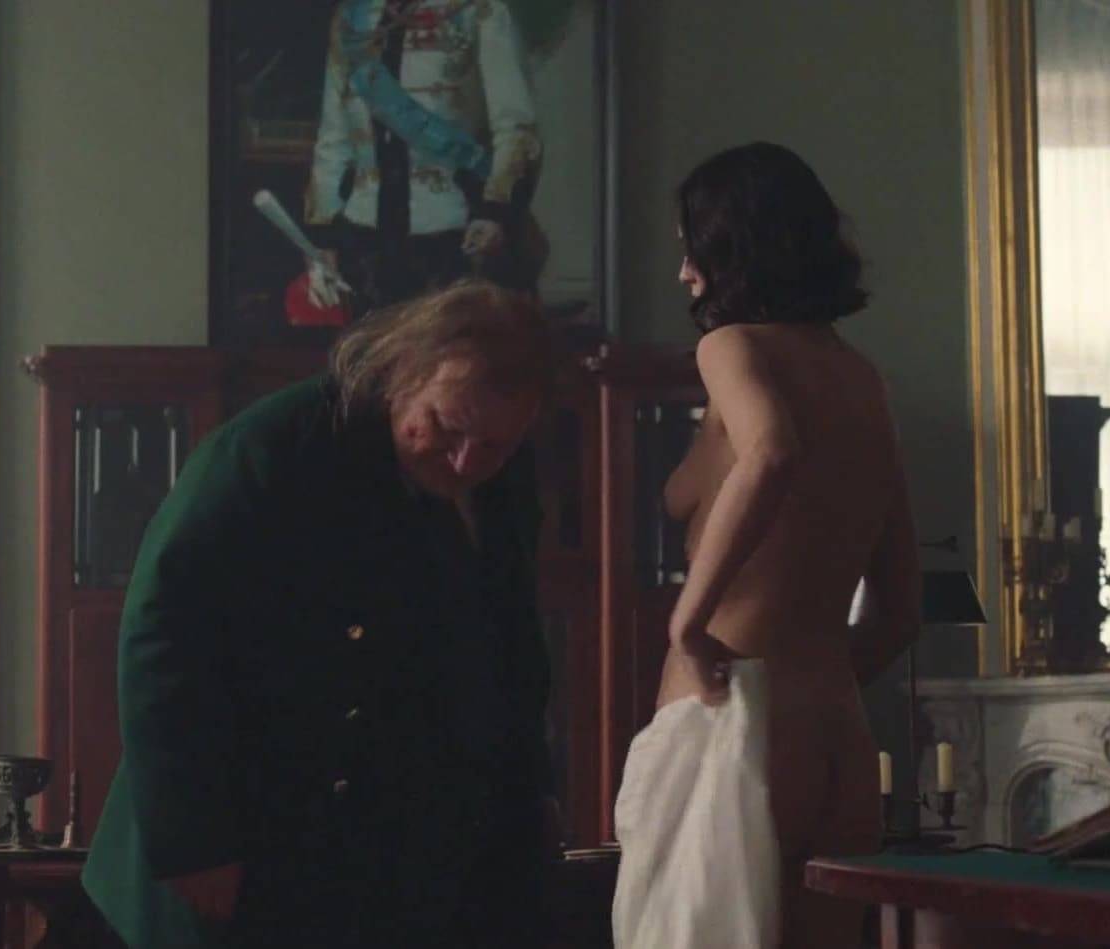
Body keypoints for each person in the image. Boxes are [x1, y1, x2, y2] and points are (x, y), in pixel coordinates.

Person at [82, 278, 561, 949]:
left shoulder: (501, 478)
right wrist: (197, 841)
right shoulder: (272, 450)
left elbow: (511, 645)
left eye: (493, 446)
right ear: (404, 370)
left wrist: (532, 792)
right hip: (241, 840)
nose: (465, 461)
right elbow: (164, 637)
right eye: (447, 428)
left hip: (389, 858)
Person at [622, 142, 921, 948]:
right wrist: (809, 682)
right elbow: (899, 612)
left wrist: (689, 624)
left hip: (732, 723)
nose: (683, 271)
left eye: (693, 247)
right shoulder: (860, 376)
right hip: (839, 740)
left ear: (733, 247)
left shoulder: (731, 347)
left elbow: (770, 450)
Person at [298, 0, 546, 320]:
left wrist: (495, 211)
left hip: (454, 236)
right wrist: (321, 238)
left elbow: (516, 126)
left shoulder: (479, 11)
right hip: (365, 241)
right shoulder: (353, 16)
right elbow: (334, 136)